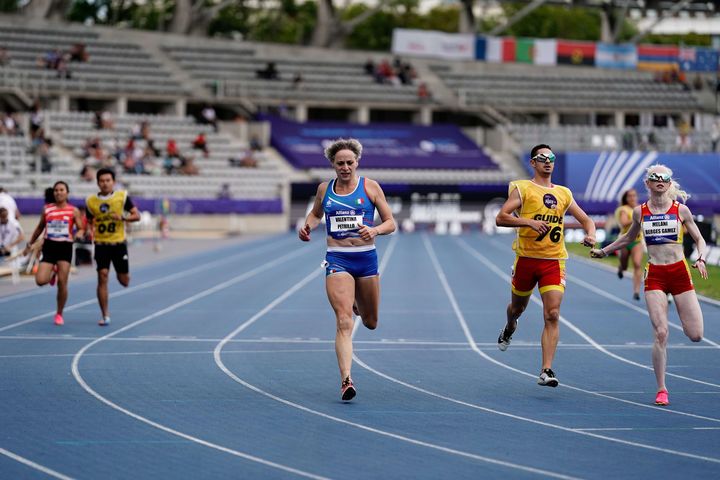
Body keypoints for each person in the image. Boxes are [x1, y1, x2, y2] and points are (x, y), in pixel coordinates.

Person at [591, 165, 708, 406]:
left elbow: (699, 238)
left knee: (696, 335)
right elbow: (628, 238)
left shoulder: (680, 210)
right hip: (655, 274)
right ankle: (662, 388)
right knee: (661, 332)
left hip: (679, 273)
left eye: (665, 178)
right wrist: (605, 250)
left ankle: (680, 324)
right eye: (655, 178)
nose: (661, 181)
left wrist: (702, 257)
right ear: (648, 184)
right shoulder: (639, 212)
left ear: (669, 182)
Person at [298, 138, 395, 401]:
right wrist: (308, 226)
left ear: (357, 162)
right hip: (337, 258)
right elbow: (316, 214)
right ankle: (346, 380)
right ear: (332, 164)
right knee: (344, 321)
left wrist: (374, 229)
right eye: (340, 163)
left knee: (371, 321)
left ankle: (357, 303)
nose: (345, 167)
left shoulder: (371, 187)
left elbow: (391, 223)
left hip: (365, 258)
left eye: (349, 162)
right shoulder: (324, 189)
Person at [495, 144, 596, 387]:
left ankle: (546, 370)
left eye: (551, 158)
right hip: (526, 260)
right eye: (542, 158)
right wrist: (528, 222)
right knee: (517, 309)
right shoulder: (523, 189)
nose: (548, 162)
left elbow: (586, 220)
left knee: (552, 314)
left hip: (554, 261)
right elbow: (501, 217)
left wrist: (591, 235)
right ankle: (510, 326)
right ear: (533, 162)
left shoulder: (563, 193)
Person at [22, 181, 84, 326]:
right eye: (56, 190)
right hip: (49, 247)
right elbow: (39, 228)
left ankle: (59, 313)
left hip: (65, 247)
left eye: (61, 190)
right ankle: (52, 273)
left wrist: (79, 234)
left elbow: (81, 227)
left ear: (67, 193)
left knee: (63, 283)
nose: (58, 192)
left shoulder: (73, 210)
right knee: (40, 281)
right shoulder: (47, 209)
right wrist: (30, 243)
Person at [85, 168, 140, 326]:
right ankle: (105, 315)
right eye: (102, 181)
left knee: (124, 281)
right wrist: (89, 231)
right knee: (102, 275)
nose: (105, 183)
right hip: (101, 244)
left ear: (113, 182)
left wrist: (122, 217)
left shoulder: (122, 197)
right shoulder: (90, 201)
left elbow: (137, 215)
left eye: (108, 180)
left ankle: (122, 273)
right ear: (97, 183)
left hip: (119, 244)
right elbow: (89, 221)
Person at [614, 189, 644, 300]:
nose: (632, 198)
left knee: (637, 264)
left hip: (637, 240)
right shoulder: (623, 209)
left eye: (634, 195)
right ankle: (621, 268)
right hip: (625, 240)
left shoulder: (641, 208)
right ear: (626, 198)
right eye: (630, 196)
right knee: (625, 265)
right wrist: (636, 217)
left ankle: (636, 291)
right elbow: (624, 223)